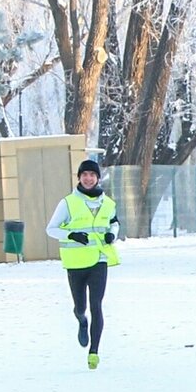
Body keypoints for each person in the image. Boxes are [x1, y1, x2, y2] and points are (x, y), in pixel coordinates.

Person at [45, 159, 121, 370]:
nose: (88, 178)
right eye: (84, 175)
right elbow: (51, 229)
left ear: (98, 178)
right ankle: (81, 319)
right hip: (76, 263)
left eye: (92, 175)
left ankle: (94, 352)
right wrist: (71, 234)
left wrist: (111, 235)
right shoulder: (68, 203)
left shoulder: (108, 203)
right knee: (82, 307)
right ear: (79, 178)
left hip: (99, 259)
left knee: (97, 305)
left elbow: (115, 223)